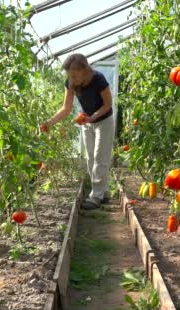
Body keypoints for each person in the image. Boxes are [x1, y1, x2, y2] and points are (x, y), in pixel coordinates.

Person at [40, 53, 114, 210]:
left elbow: (108, 104)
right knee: (91, 159)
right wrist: (49, 122)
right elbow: (66, 108)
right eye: (70, 76)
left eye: (74, 75)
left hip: (103, 121)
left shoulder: (98, 79)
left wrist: (92, 117)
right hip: (87, 122)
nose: (71, 79)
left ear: (85, 70)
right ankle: (103, 192)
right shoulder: (71, 83)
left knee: (100, 157)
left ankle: (95, 197)